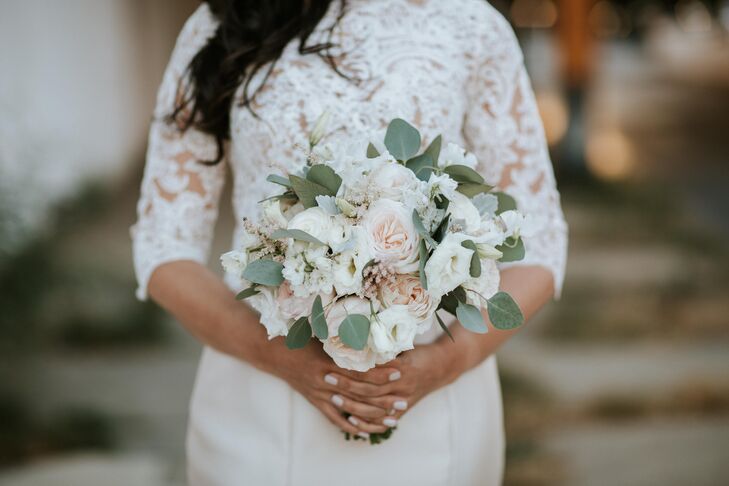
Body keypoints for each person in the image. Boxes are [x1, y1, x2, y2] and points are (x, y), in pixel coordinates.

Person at [131, 0, 568, 484]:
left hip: (433, 403)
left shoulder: (471, 24)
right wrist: (280, 358)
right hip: (260, 401)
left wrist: (445, 361)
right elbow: (163, 245)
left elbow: (541, 243)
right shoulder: (226, 21)